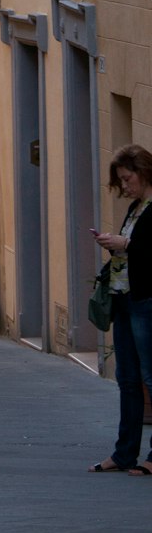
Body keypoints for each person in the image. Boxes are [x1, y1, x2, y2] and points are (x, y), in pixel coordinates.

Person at [89, 144, 152, 475]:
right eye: (121, 181)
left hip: (146, 301)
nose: (125, 187)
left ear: (143, 172)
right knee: (127, 379)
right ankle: (124, 452)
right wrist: (113, 243)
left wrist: (125, 244)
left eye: (127, 179)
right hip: (125, 299)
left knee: (151, 377)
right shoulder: (136, 207)